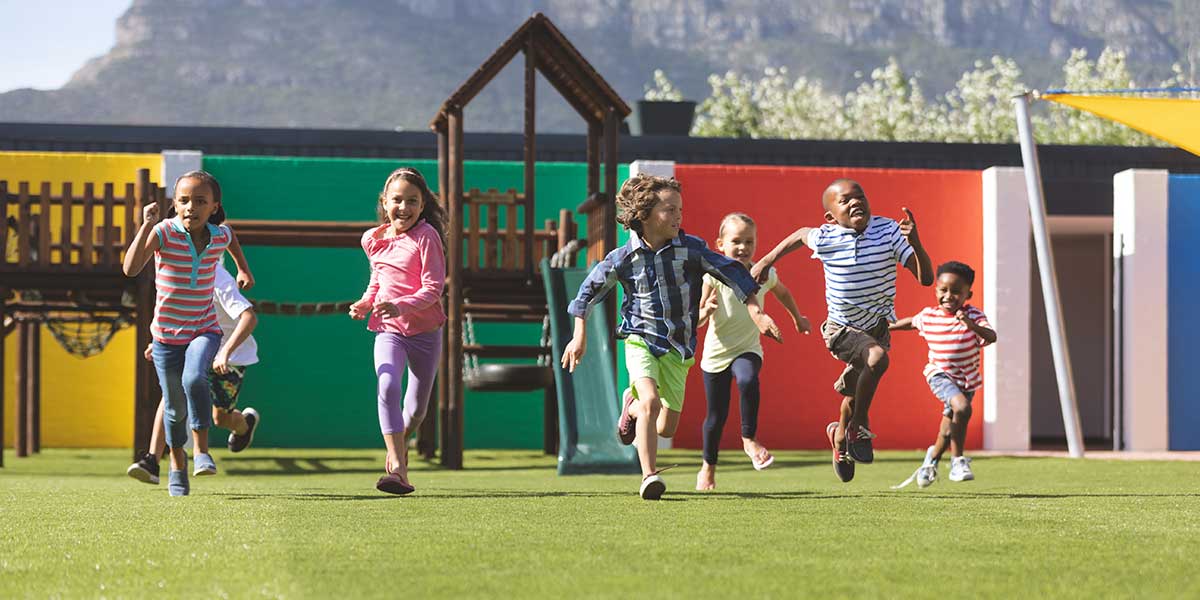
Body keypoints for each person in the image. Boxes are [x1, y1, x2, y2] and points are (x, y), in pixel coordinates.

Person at [561, 174, 781, 500]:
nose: (679, 216)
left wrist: (756, 311)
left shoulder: (690, 250)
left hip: (679, 348)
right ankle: (649, 476)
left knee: (664, 427)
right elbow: (588, 291)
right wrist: (579, 335)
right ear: (645, 214)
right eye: (670, 210)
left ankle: (631, 408)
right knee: (650, 400)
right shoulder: (624, 258)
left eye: (680, 209)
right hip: (640, 339)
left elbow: (732, 271)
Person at [751, 178, 932, 483]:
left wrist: (915, 242)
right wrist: (766, 261)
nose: (854, 202)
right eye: (844, 200)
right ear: (831, 217)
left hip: (876, 328)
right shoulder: (826, 237)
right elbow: (799, 235)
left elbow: (925, 279)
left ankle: (839, 437)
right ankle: (858, 427)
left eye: (859, 196)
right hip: (841, 329)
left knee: (855, 389)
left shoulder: (888, 230)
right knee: (876, 359)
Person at [123, 170, 254, 496]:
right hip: (167, 335)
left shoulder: (217, 235)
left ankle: (202, 452)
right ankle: (176, 467)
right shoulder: (164, 232)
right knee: (172, 406)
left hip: (203, 329)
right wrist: (145, 227)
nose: (190, 207)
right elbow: (130, 268)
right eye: (183, 200)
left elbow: (230, 237)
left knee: (194, 378)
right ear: (174, 204)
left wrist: (243, 268)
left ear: (213, 206)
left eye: (200, 201)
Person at [348, 167, 447, 496]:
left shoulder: (427, 237)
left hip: (426, 332)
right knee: (387, 383)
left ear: (422, 206)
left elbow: (433, 289)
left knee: (417, 410)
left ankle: (399, 450)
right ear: (384, 202)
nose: (403, 207)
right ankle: (398, 468)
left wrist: (400, 305)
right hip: (388, 330)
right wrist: (365, 303)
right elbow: (377, 281)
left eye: (412, 201)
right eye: (397, 200)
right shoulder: (372, 240)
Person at [695, 212, 811, 491]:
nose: (743, 247)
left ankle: (749, 439)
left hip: (748, 348)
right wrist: (705, 311)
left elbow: (782, 292)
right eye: (736, 241)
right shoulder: (713, 275)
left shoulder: (764, 273)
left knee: (748, 379)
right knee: (716, 418)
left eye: (749, 241)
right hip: (715, 354)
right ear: (720, 244)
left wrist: (797, 317)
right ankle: (708, 468)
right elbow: (697, 319)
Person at [126, 262, 262, 485]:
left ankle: (244, 424)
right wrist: (158, 342)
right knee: (172, 393)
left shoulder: (218, 278)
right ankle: (151, 461)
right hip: (193, 348)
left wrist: (225, 353)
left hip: (230, 357)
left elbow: (249, 318)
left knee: (221, 418)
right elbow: (173, 312)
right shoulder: (175, 273)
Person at [890, 261, 995, 488]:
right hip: (939, 375)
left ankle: (931, 461)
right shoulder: (929, 316)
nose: (949, 296)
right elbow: (910, 322)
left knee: (948, 430)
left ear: (968, 293)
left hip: (966, 381)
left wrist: (971, 325)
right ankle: (958, 461)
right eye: (943, 290)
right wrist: (884, 328)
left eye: (957, 291)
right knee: (963, 409)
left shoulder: (974, 316)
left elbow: (991, 336)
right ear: (936, 290)